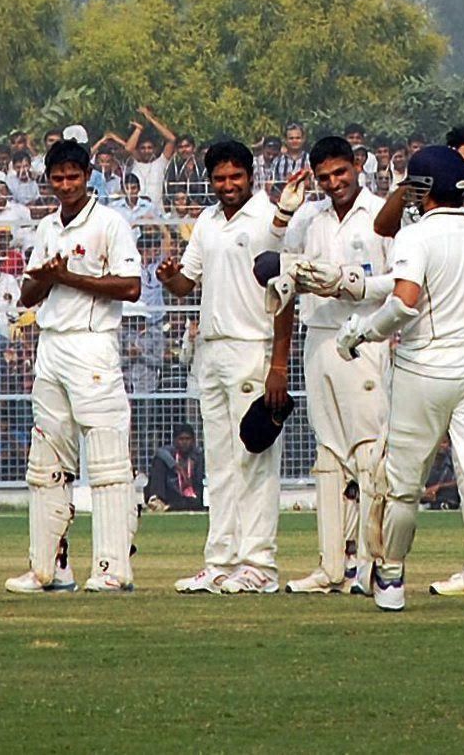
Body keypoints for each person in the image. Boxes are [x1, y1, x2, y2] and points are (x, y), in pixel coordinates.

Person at [337, 146, 464, 614]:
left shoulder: (415, 237)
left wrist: (359, 333)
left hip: (423, 370)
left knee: (403, 483)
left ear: (423, 189)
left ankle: (392, 577)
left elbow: (403, 303)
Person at [4, 138, 142, 594]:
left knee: (105, 459)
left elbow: (130, 287)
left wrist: (66, 277)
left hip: (92, 346)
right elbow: (27, 295)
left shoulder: (109, 223)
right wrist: (47, 277)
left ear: (87, 176)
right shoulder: (46, 229)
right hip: (52, 345)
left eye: (73, 176)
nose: (65, 185)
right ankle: (49, 568)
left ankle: (112, 568)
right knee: (46, 461)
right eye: (58, 178)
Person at [158, 140, 284, 594]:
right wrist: (168, 274)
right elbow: (185, 284)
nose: (228, 185)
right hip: (211, 350)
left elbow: (285, 289)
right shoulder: (208, 221)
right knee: (222, 461)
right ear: (210, 180)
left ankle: (260, 564)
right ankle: (221, 560)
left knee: (253, 457)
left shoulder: (270, 219)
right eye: (220, 178)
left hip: (254, 345)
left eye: (236, 177)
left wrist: (277, 364)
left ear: (250, 176)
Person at [272, 136, 393, 595]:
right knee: (329, 456)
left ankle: (369, 565)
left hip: (365, 338)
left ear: (357, 166)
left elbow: (402, 282)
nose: (333, 183)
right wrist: (283, 215)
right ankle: (330, 567)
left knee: (368, 455)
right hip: (320, 338)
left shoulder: (382, 215)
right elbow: (272, 264)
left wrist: (351, 283)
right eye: (324, 177)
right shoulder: (310, 219)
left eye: (340, 173)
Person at [124, 106, 177, 207]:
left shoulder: (160, 163)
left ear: (154, 149)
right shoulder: (133, 164)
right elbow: (128, 149)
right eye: (143, 148)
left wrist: (150, 119)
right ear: (138, 150)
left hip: (157, 213)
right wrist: (138, 129)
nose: (146, 151)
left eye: (149, 148)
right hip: (136, 212)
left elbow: (172, 139)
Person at [146, 424, 206, 512]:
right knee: (159, 462)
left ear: (193, 441)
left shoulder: (197, 455)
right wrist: (175, 466)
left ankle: (169, 507)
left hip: (191, 496)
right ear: (175, 441)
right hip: (172, 493)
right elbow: (159, 452)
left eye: (188, 439)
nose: (185, 442)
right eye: (181, 439)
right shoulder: (170, 452)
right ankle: (157, 499)